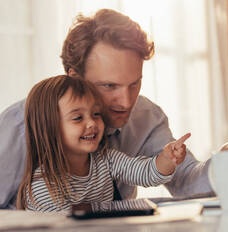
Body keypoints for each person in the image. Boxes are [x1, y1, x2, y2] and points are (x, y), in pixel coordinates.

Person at [0, 8, 228, 209]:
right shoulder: (20, 125)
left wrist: (224, 162)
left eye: (135, 84)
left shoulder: (146, 117)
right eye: (109, 85)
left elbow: (185, 181)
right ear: (74, 76)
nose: (126, 101)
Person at [17, 75, 190, 212]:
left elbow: (145, 173)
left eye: (96, 114)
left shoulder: (106, 159)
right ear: (49, 127)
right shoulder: (43, 186)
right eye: (78, 118)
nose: (92, 123)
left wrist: (167, 159)